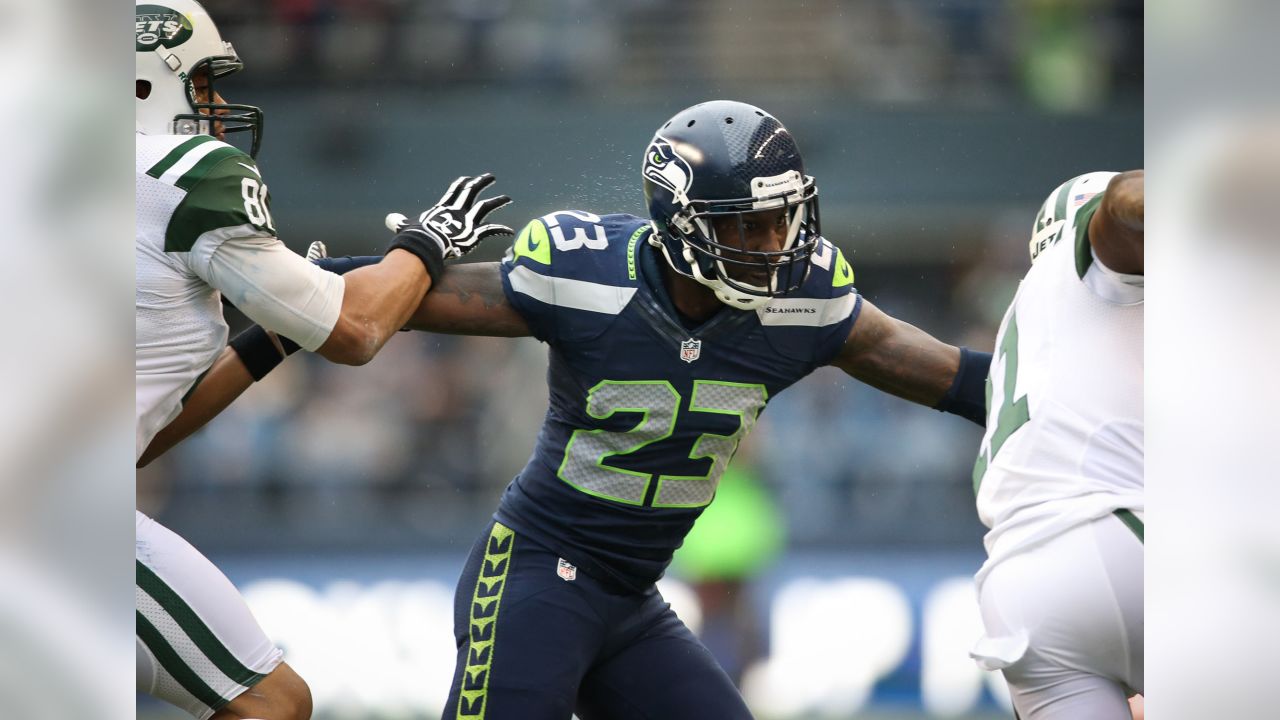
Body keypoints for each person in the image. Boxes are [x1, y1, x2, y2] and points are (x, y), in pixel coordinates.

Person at [397, 99, 992, 719]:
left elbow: (955, 376)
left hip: (630, 595)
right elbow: (389, 309)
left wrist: (1067, 390)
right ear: (681, 220)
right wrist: (313, 279)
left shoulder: (805, 302)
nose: (773, 244)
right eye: (746, 225)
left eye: (781, 220)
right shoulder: (589, 277)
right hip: (535, 572)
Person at [134, 2, 511, 718]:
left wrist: (277, 333)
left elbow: (142, 439)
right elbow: (358, 329)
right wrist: (428, 245)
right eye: (203, 84)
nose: (216, 107)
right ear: (140, 84)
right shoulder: (180, 174)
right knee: (272, 702)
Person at [968, 170, 1144, 719]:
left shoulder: (1025, 326)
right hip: (1118, 531)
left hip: (1018, 592)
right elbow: (1128, 206)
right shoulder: (1093, 268)